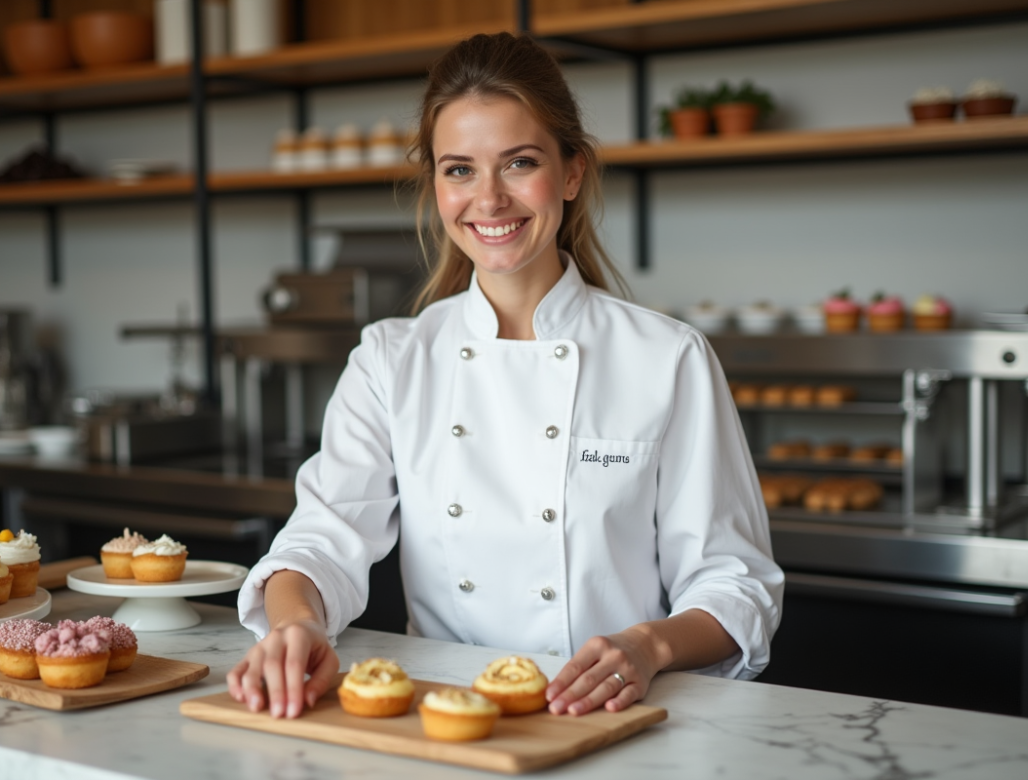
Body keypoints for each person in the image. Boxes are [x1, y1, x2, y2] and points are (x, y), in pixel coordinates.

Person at [228, 32, 783, 720]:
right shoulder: (392, 360)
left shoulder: (667, 358)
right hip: (448, 720)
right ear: (434, 183)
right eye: (459, 169)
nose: (488, 199)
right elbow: (321, 538)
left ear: (572, 172)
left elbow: (734, 582)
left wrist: (647, 647)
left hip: (617, 721)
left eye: (519, 163)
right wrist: (297, 626)